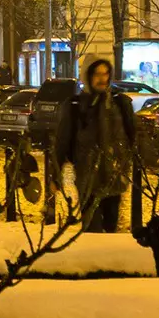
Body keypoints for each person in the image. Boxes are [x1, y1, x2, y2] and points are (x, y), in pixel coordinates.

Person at [57, 57, 134, 233]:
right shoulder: (75, 106)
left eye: (105, 73)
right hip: (88, 181)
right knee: (92, 231)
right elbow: (62, 141)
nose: (102, 78)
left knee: (111, 230)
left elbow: (134, 136)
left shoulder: (120, 104)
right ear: (88, 76)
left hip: (114, 180)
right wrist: (56, 173)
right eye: (97, 74)